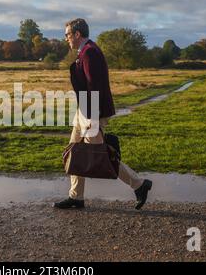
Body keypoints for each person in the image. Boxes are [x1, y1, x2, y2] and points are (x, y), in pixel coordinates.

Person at [54, 18, 152, 210]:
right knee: (76, 152)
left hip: (91, 112)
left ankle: (139, 184)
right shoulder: (85, 51)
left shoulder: (90, 53)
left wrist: (92, 117)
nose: (66, 38)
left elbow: (94, 87)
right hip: (84, 110)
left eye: (67, 35)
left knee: (102, 156)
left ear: (77, 34)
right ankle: (76, 196)